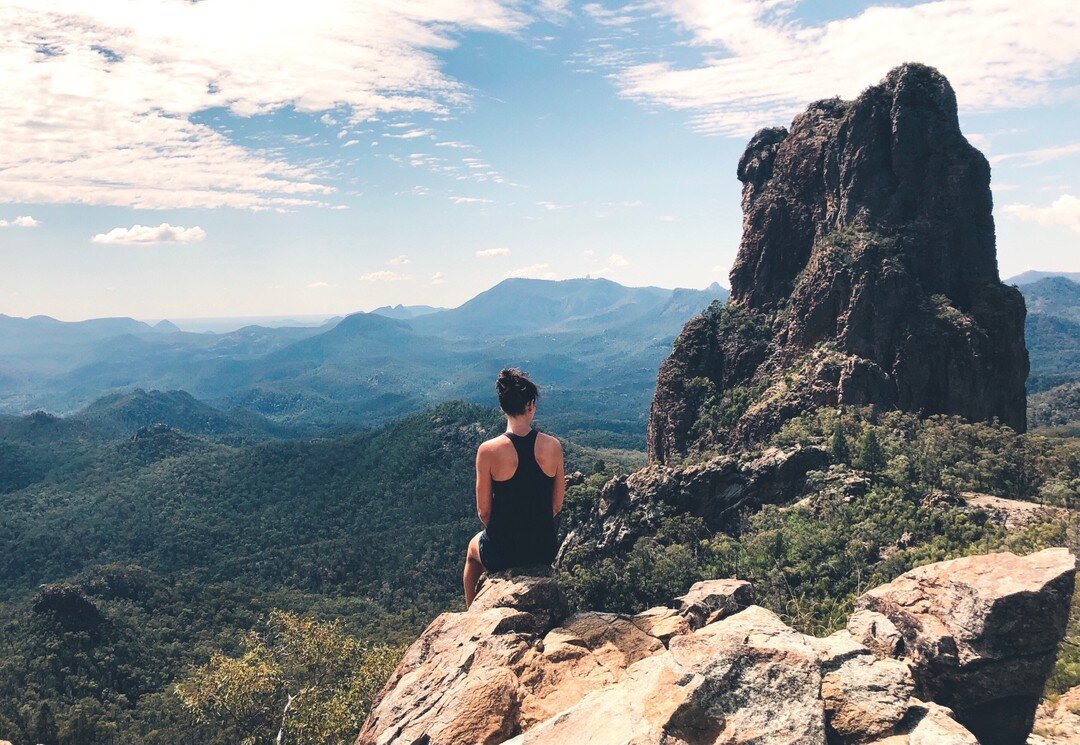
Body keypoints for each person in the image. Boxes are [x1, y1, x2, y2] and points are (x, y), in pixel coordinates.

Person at [463, 368, 564, 607]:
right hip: (543, 547)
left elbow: (484, 512)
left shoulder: (488, 450)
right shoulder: (553, 446)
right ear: (531, 405)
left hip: (504, 551)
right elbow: (556, 505)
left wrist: (509, 531)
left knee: (471, 550)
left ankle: (470, 611)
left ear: (503, 407)